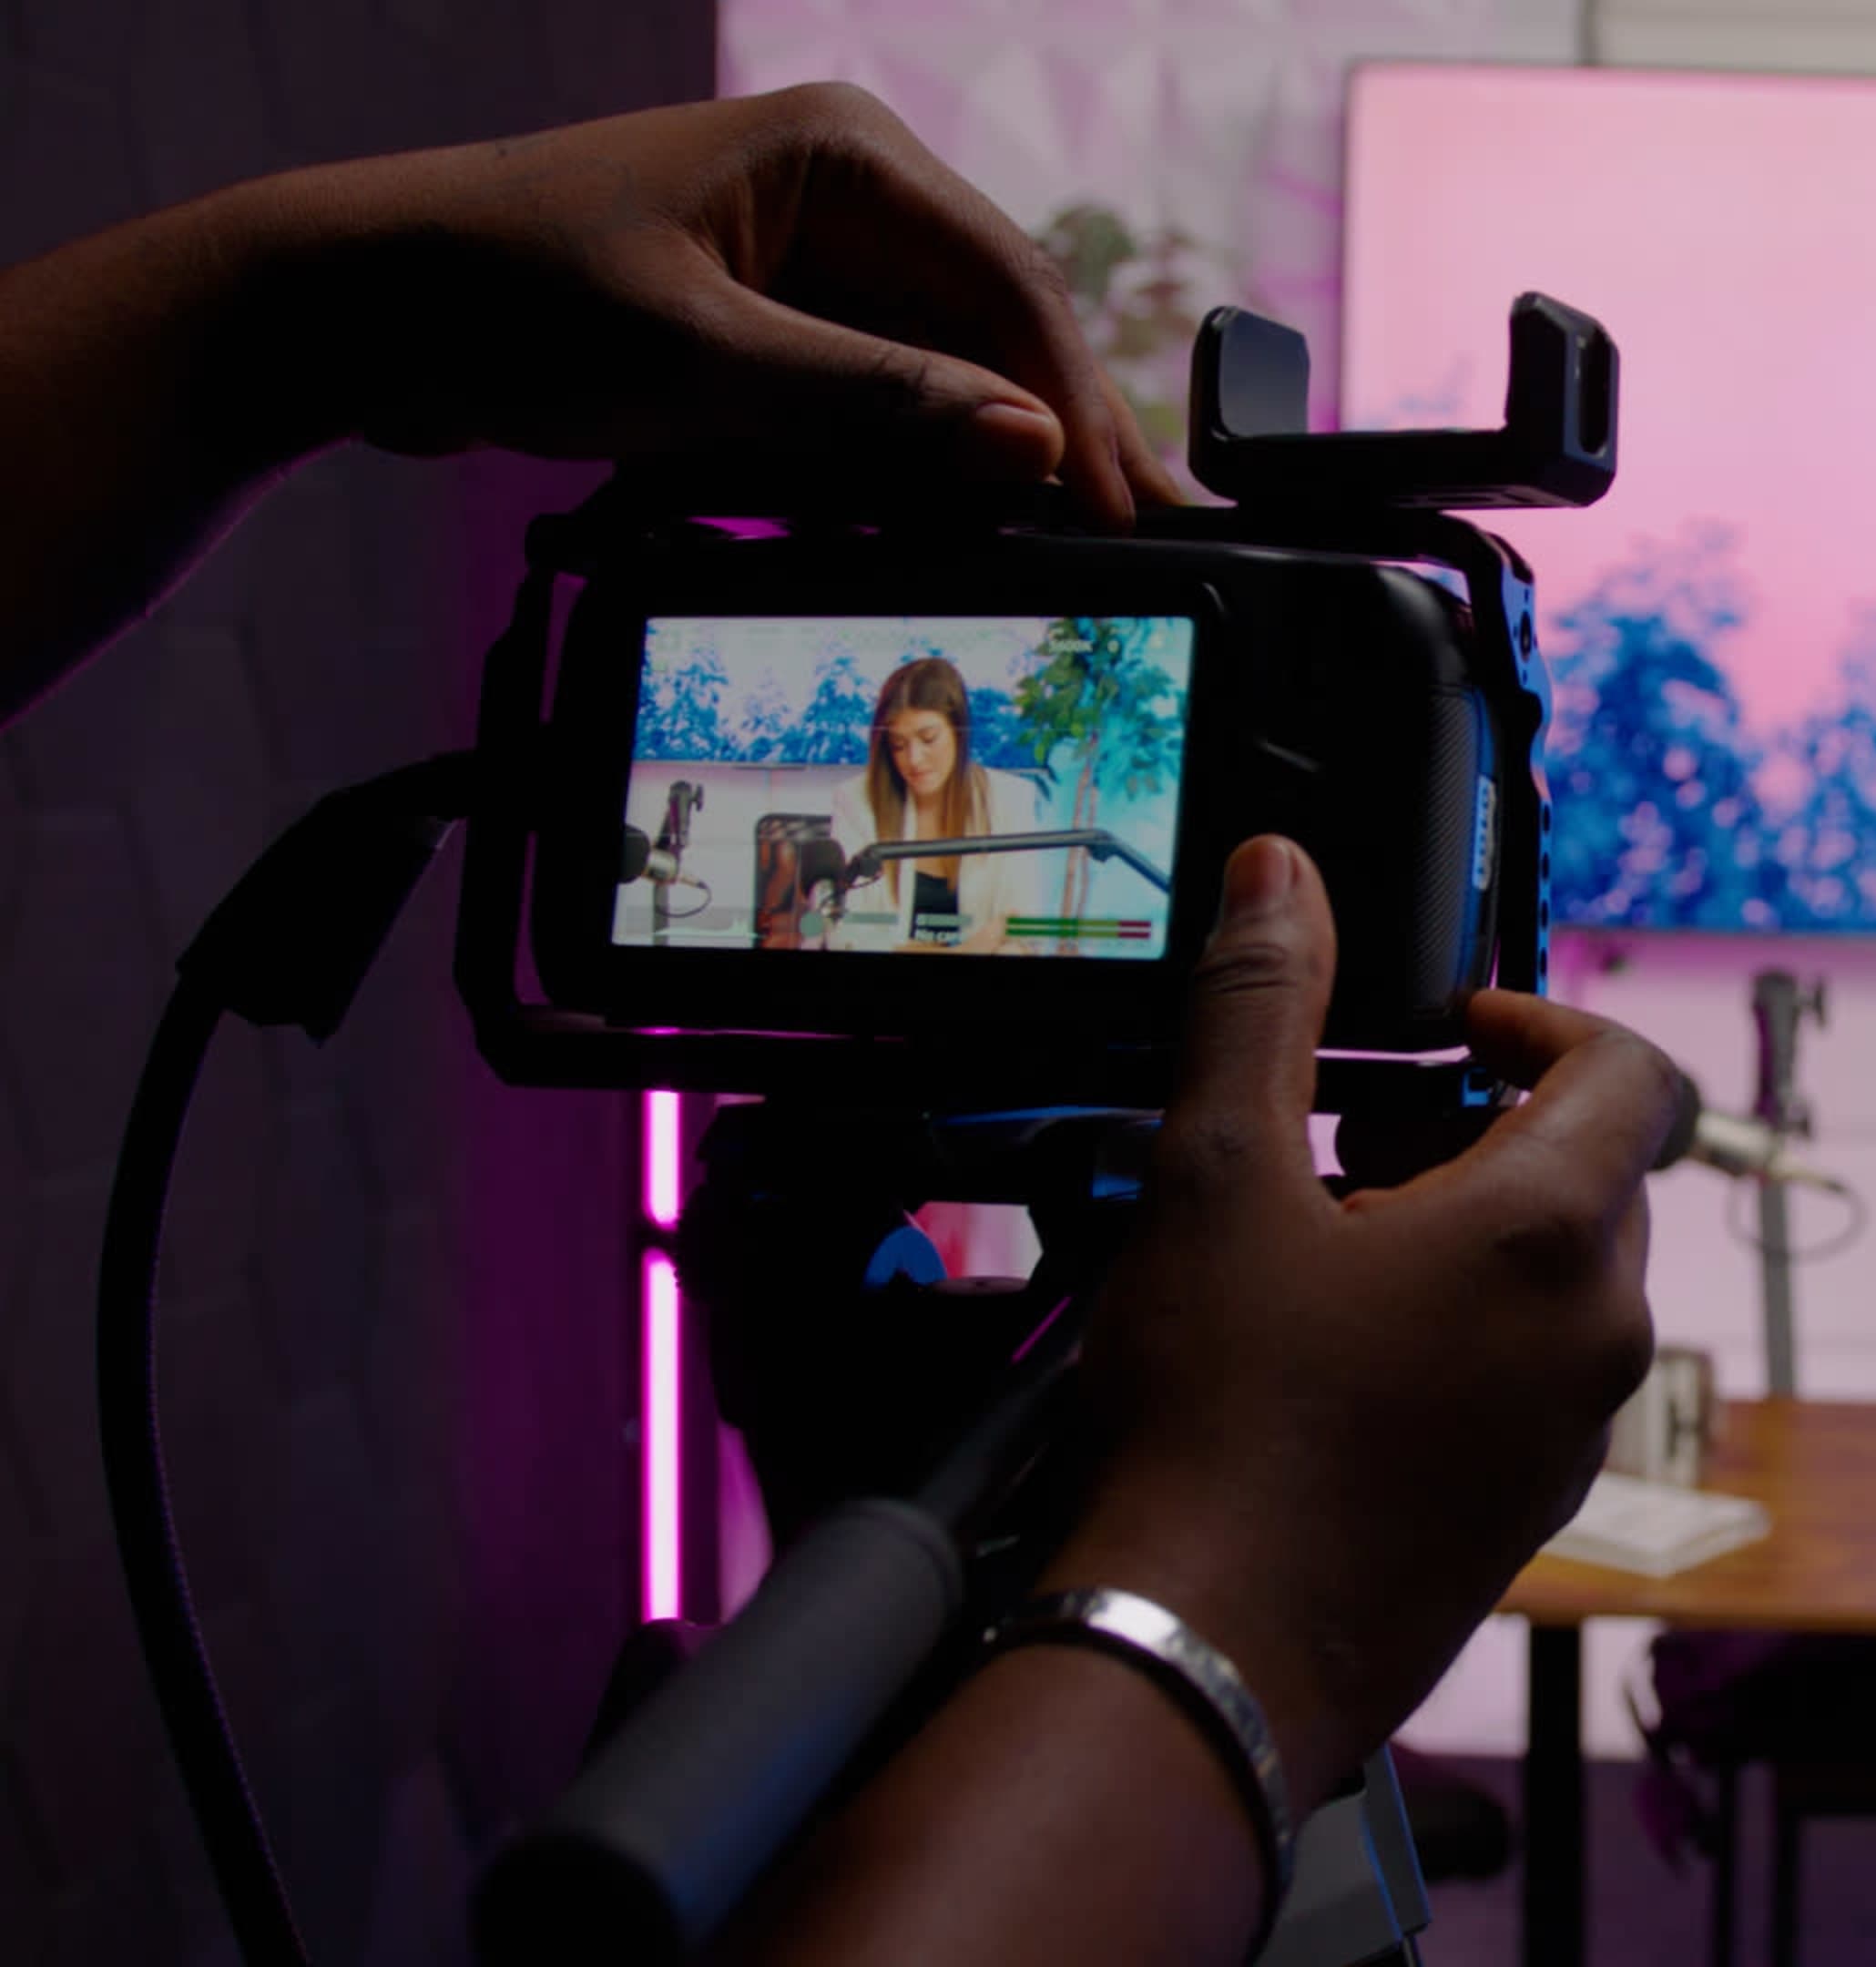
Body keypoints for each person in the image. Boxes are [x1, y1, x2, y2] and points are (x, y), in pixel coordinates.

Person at [1, 85, 1680, 1967]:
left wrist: (302, 316)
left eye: (931, 730)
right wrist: (1240, 1607)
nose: (910, 745)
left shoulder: (1015, 837)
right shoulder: (817, 841)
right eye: (899, 730)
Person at [831, 656, 1027, 953]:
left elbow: (1023, 921)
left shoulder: (1009, 798)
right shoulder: (856, 801)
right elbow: (846, 929)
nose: (914, 759)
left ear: (958, 732)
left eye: (928, 738)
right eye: (898, 744)